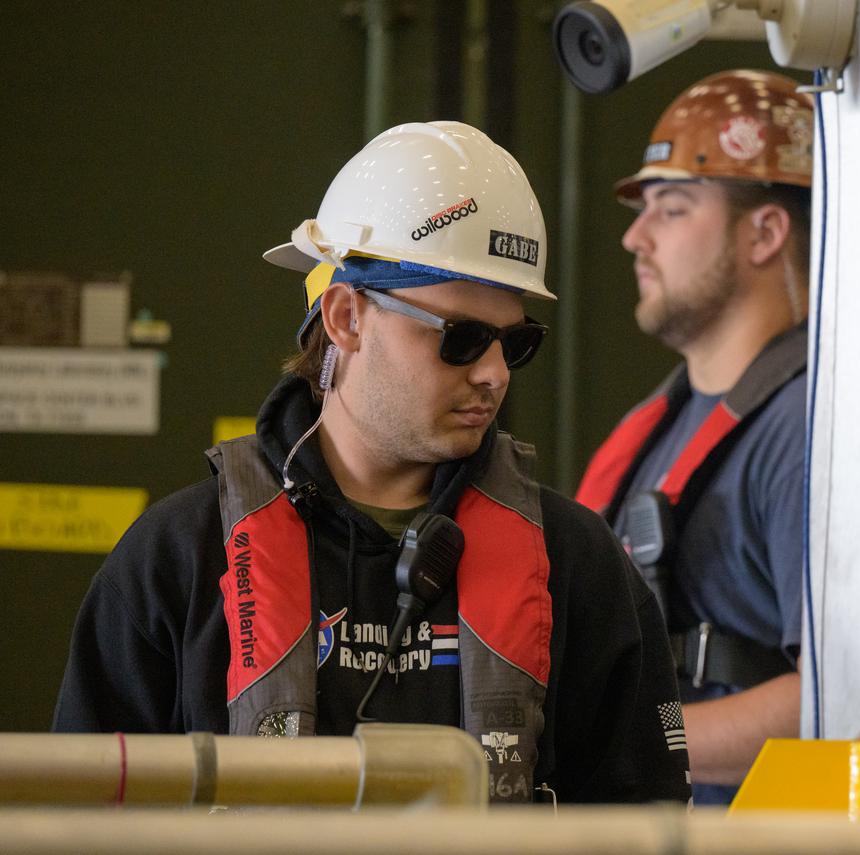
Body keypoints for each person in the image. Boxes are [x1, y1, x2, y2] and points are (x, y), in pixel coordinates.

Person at [53, 121, 691, 805]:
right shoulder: (178, 558)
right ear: (346, 317)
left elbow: (648, 823)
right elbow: (81, 818)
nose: (495, 374)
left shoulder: (577, 565)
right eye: (462, 337)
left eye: (515, 343)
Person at [576, 70, 813, 805]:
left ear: (765, 233)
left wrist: (622, 738)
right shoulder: (662, 424)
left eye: (672, 210)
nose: (635, 237)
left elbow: (837, 700)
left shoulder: (802, 431)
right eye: (643, 210)